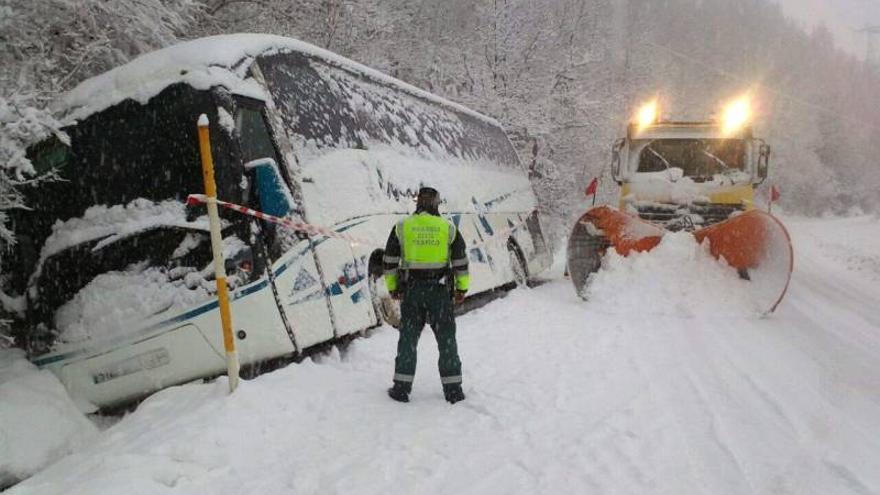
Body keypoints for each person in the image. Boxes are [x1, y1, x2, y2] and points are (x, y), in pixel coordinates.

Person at [383, 186, 469, 404]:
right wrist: (461, 289)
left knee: (408, 340)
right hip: (440, 293)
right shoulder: (447, 228)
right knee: (446, 339)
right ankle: (453, 391)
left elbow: (390, 262)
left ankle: (401, 388)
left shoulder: (402, 227)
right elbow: (460, 261)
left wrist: (393, 287)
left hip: (412, 293)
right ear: (437, 204)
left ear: (417, 203)